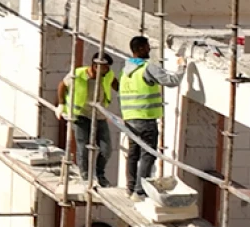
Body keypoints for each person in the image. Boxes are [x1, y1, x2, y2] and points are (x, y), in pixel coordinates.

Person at [114, 35, 183, 197]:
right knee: (148, 155)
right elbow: (171, 81)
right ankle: (139, 191)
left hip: (130, 119)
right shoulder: (147, 68)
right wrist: (182, 68)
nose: (149, 50)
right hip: (145, 118)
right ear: (139, 49)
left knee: (133, 154)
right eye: (146, 47)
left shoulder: (126, 70)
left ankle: (130, 188)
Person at [56, 51, 115, 187]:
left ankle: (100, 174)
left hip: (99, 115)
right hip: (80, 115)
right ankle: (85, 177)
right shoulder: (78, 74)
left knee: (107, 149)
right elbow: (62, 86)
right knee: (83, 147)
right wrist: (61, 104)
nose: (108, 70)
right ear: (95, 66)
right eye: (105, 67)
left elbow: (116, 85)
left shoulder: (107, 75)